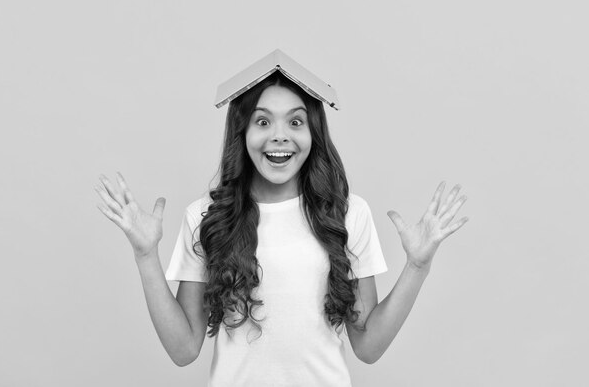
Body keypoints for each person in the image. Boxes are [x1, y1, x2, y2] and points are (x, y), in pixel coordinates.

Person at [94, 66, 468, 386]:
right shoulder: (207, 216)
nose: (279, 135)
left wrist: (418, 266)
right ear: (242, 133)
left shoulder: (347, 214)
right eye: (262, 121)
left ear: (313, 133)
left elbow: (368, 346)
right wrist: (145, 256)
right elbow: (183, 349)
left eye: (295, 121)